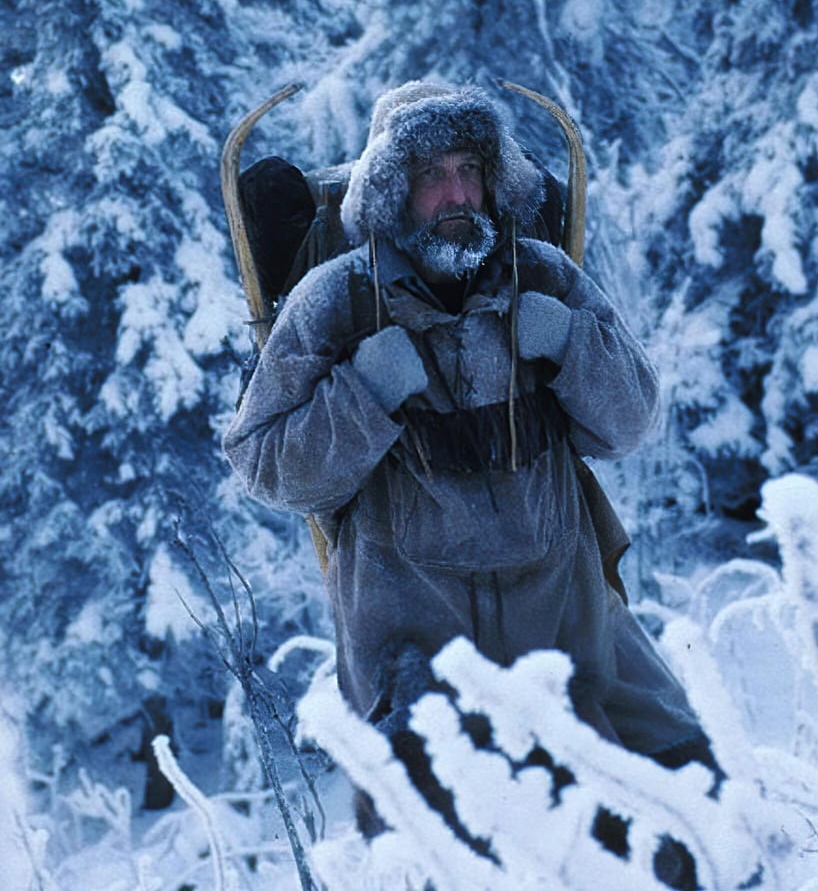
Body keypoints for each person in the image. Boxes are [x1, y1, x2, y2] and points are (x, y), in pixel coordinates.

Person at [223, 81, 711, 829]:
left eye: (470, 170)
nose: (457, 194)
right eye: (431, 174)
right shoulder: (336, 302)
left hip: (569, 625)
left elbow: (628, 424)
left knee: (692, 814)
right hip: (418, 650)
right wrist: (362, 393)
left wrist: (569, 342)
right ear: (391, 189)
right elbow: (265, 465)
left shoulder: (543, 275)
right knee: (451, 853)